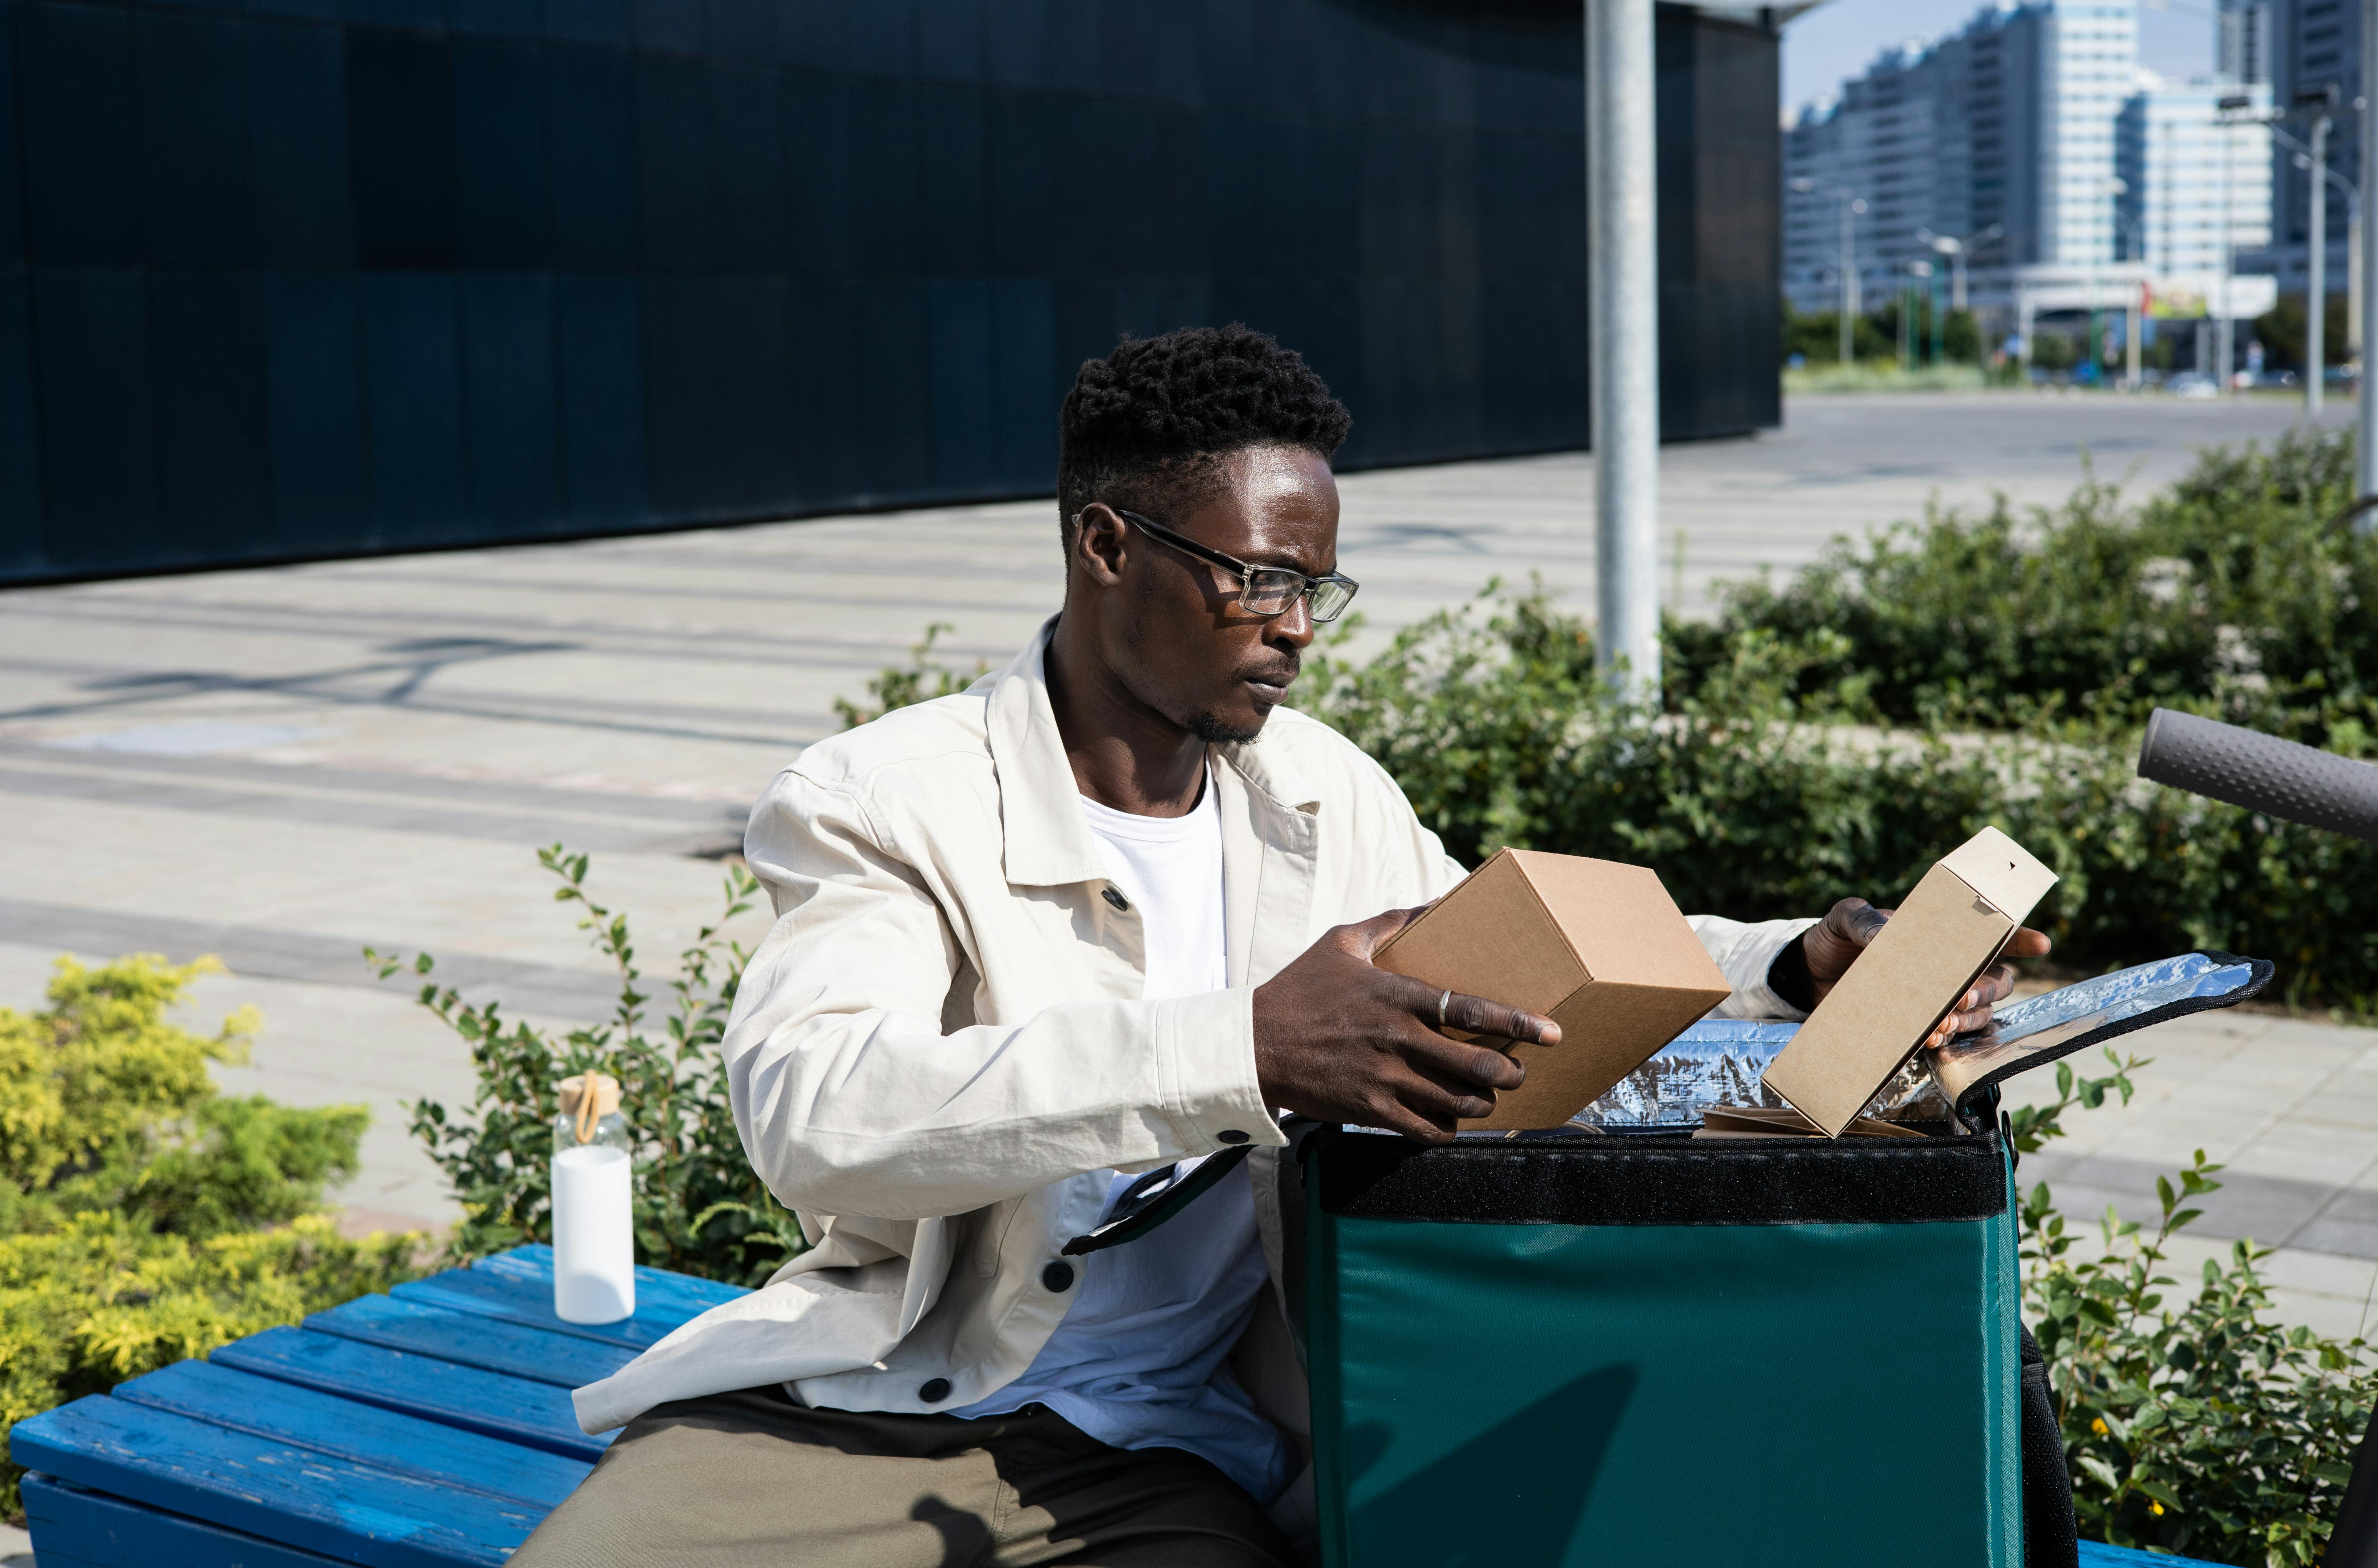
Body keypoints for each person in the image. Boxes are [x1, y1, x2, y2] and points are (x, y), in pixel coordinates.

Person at [512, 325, 2044, 1567]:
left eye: (1314, 586)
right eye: (1256, 576)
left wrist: (1791, 963)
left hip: (1172, 1459)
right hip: (875, 1411)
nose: (1295, 625)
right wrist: (1240, 1048)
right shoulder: (880, 799)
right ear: (1106, 544)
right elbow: (818, 1117)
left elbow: (1538, 947)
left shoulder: (1323, 795)